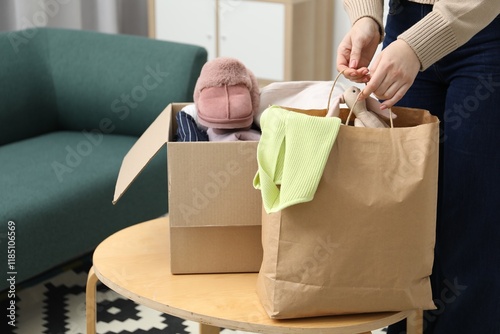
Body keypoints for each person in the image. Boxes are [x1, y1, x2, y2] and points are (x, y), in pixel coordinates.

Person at [337, 0, 500, 333]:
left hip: (486, 26)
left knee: (471, 217)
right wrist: (365, 16)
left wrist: (416, 46)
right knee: (402, 217)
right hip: (403, 24)